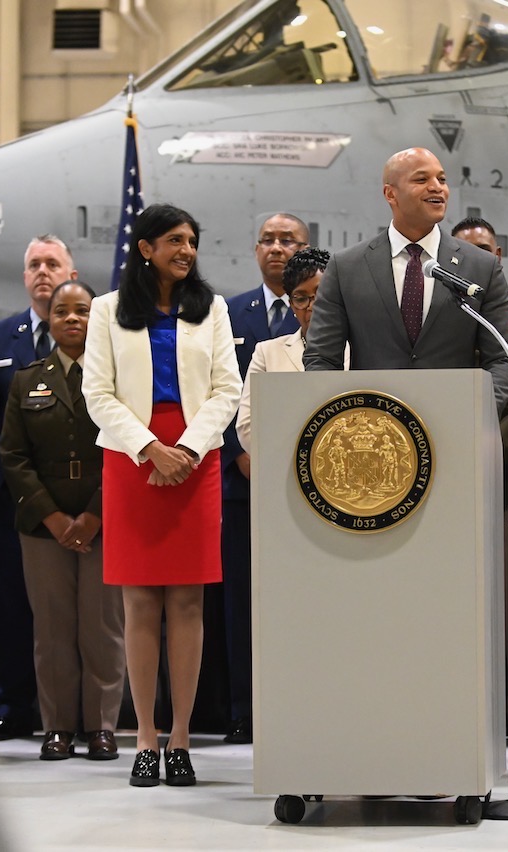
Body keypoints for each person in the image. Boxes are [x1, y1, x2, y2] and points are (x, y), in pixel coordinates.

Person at [82, 204, 241, 787]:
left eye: (192, 241)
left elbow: (227, 389)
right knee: (141, 603)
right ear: (146, 248)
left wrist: (187, 451)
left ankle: (181, 738)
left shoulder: (212, 308)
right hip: (132, 457)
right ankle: (146, 736)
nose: (187, 250)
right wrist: (151, 449)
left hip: (196, 457)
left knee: (189, 603)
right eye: (175, 240)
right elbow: (97, 393)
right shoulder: (107, 310)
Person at [0, 281, 126, 762]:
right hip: (43, 526)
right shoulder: (26, 380)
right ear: (47, 320)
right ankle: (57, 727)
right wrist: (52, 517)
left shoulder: (116, 379)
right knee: (52, 630)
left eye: (82, 310)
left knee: (103, 627)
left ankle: (102, 727)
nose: (72, 318)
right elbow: (13, 456)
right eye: (61, 311)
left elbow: (126, 449)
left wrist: (94, 515)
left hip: (104, 522)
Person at [303, 147, 508, 416]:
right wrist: (343, 418)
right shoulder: (346, 267)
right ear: (390, 194)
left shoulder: (481, 267)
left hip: (456, 424)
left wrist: (476, 414)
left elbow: (503, 360)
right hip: (370, 427)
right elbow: (321, 358)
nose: (437, 187)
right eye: (421, 179)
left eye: (442, 179)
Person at [0, 236, 78, 741]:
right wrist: (19, 471)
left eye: (52, 263)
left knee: (80, 614)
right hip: (12, 500)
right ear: (23, 277)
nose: (42, 271)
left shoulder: (95, 336)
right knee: (14, 608)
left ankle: (79, 714)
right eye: (34, 264)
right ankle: (13, 706)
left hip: (77, 501)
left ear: (71, 273)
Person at [451, 216, 508, 745]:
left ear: (498, 258)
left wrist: (495, 436)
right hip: (450, 474)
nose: (476, 259)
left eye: (484, 250)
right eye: (464, 251)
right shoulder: (432, 315)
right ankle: (465, 701)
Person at [221, 213, 307, 745]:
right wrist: (238, 454)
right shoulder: (228, 314)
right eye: (268, 240)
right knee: (244, 602)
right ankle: (243, 709)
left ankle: (300, 706)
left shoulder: (335, 317)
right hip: (242, 482)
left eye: (288, 240)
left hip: (310, 488)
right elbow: (215, 392)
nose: (276, 248)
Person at [236, 247, 330, 450]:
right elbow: (247, 427)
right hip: (283, 462)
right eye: (301, 298)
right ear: (291, 305)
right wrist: (304, 454)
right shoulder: (267, 353)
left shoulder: (360, 347)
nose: (311, 306)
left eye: (320, 294)